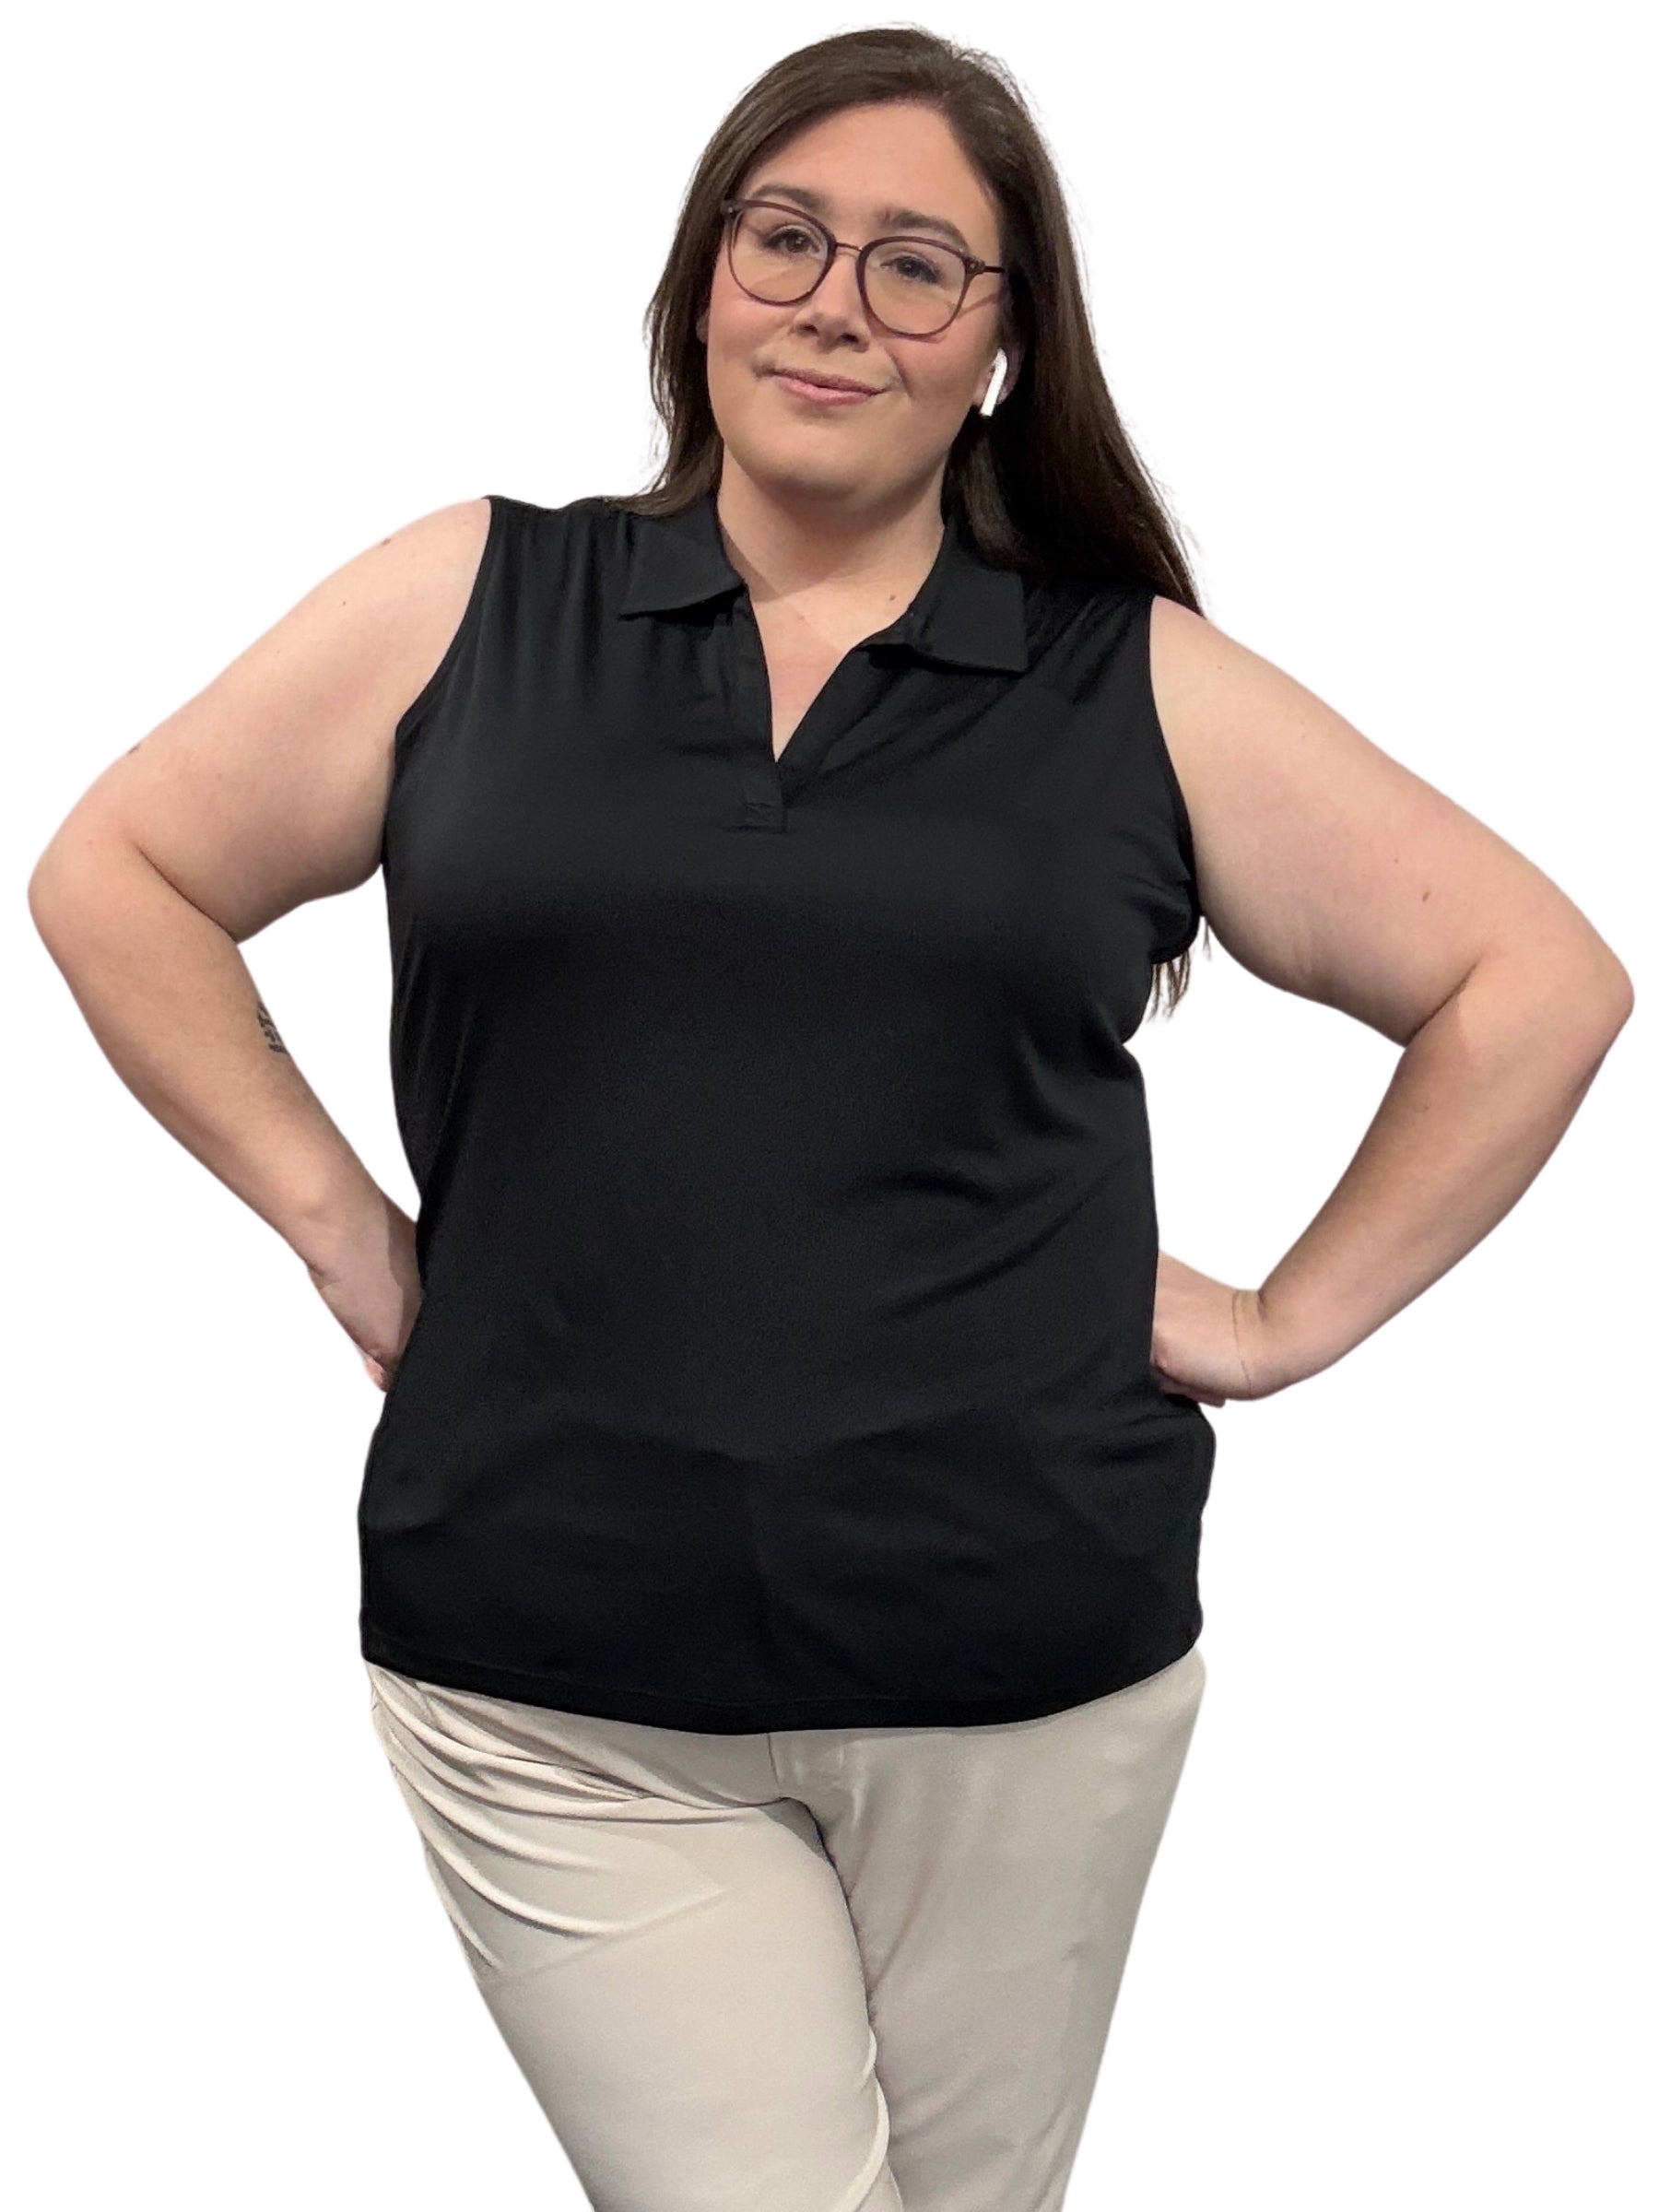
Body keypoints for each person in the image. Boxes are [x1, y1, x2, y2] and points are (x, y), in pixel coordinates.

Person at [27, 27, 1632, 2212]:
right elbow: (117, 874)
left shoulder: (1128, 683)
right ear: (703, 280)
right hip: (553, 1669)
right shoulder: (475, 600)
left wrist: (1285, 1319)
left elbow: (1533, 982)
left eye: (916, 264)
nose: (835, 305)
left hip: (1027, 1670)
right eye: (783, 238)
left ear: (1000, 342)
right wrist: (334, 1216)